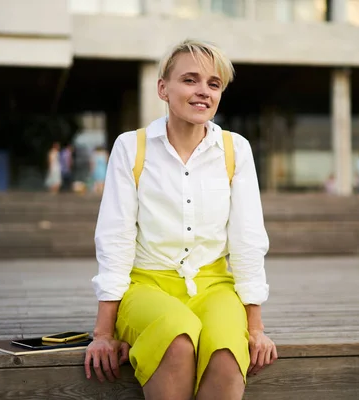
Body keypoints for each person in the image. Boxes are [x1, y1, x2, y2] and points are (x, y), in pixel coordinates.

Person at [84, 39, 277, 400]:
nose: (203, 91)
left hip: (215, 286)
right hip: (145, 286)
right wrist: (104, 333)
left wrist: (255, 326)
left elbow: (248, 239)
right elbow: (115, 238)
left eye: (213, 84)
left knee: (225, 353)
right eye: (190, 80)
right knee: (177, 337)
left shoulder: (236, 150)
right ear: (163, 88)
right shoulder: (131, 147)